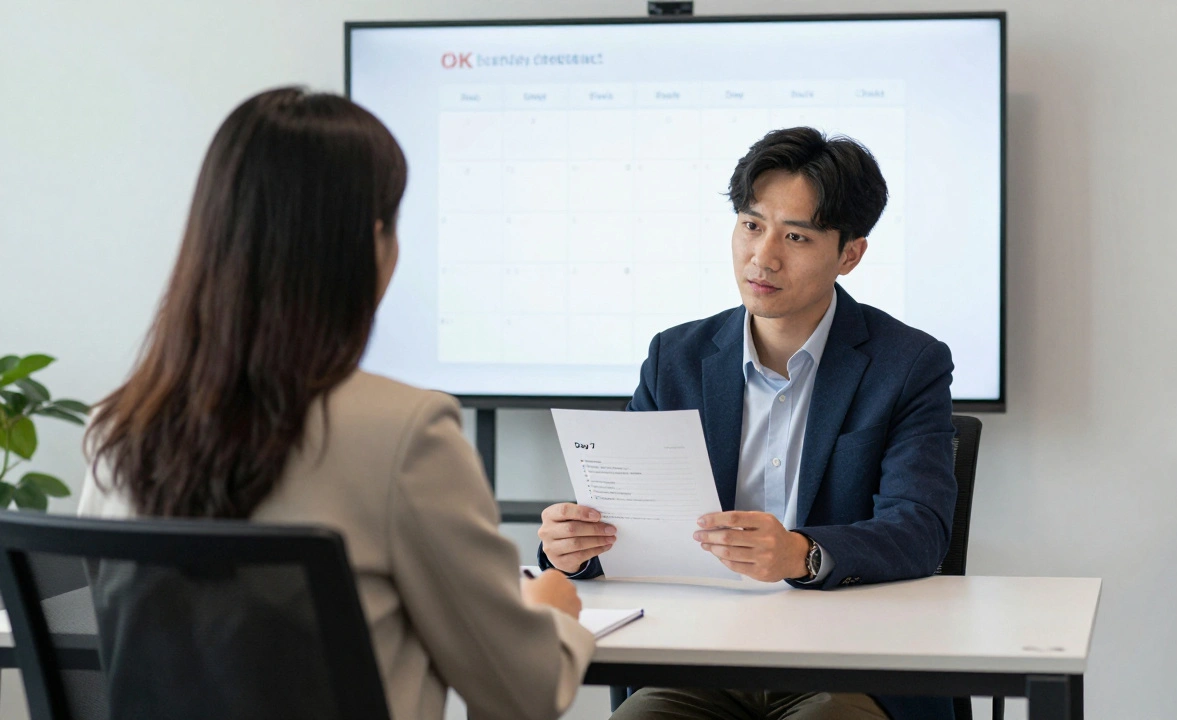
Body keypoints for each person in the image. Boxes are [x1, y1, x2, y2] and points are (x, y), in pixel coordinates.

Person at [79, 87, 593, 720]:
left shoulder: (120, 427)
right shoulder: (405, 433)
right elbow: (522, 692)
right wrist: (552, 612)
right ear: (369, 243)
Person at [536, 127, 958, 720]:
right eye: (751, 225)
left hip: (847, 665)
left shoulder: (908, 365)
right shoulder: (675, 358)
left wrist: (801, 555)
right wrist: (573, 549)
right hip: (697, 659)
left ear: (850, 255)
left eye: (796, 236)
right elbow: (630, 522)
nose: (764, 256)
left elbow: (920, 529)